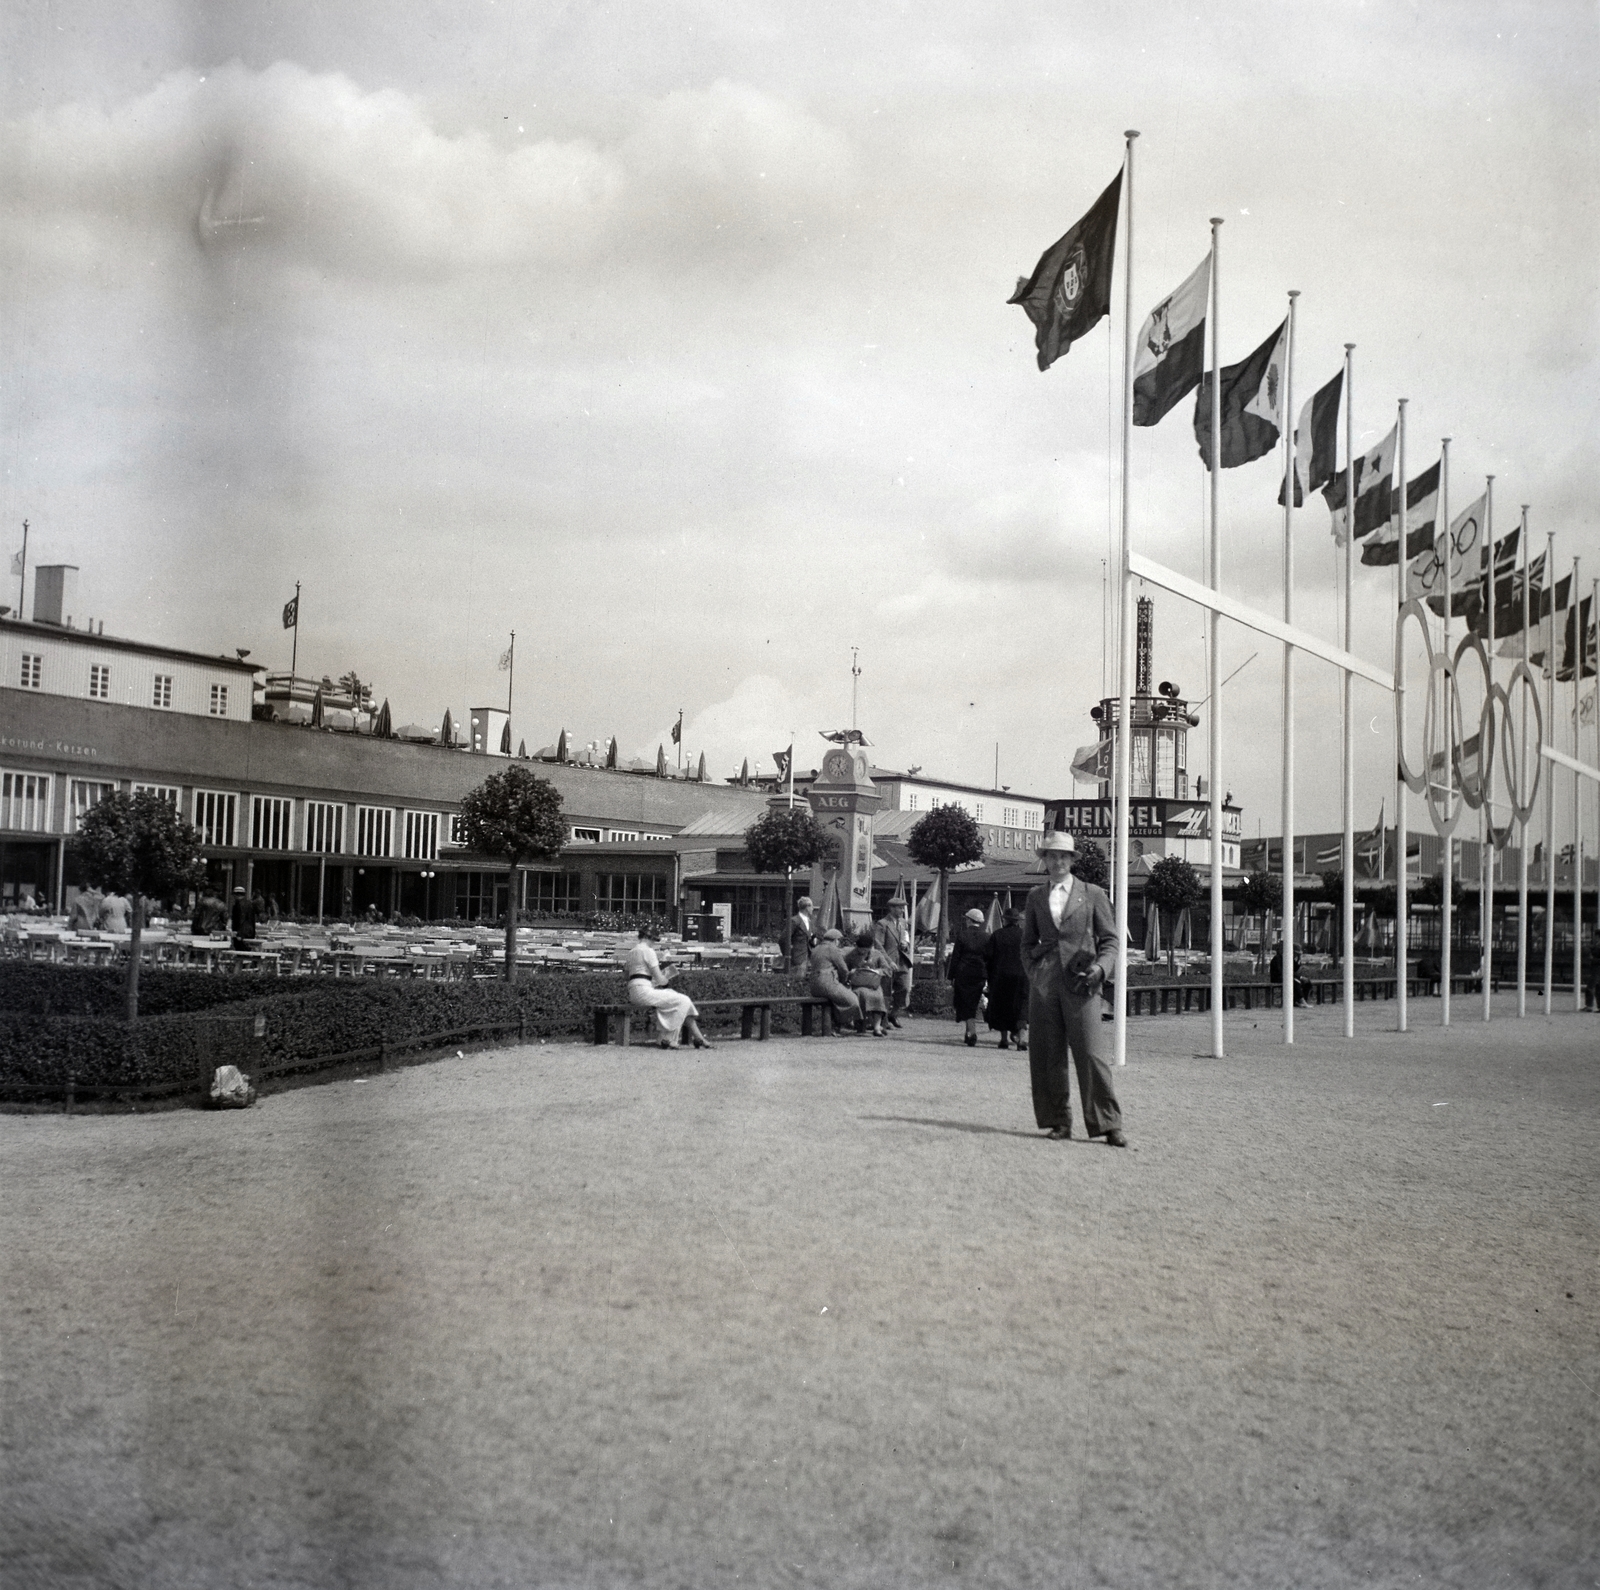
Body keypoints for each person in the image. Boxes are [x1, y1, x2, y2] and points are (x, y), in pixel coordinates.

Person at [1021, 830, 1125, 1146]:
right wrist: (1034, 974)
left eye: (1063, 856)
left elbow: (1110, 940)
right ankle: (1058, 1121)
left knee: (1092, 1054)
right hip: (1045, 984)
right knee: (1047, 1054)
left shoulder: (1092, 893)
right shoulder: (1035, 896)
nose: (1058, 861)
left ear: (1072, 859)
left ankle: (1108, 1124)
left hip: (1083, 982)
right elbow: (1027, 943)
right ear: (1045, 860)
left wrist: (1101, 968)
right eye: (1052, 856)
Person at [623, 923, 710, 1049]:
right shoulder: (648, 951)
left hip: (634, 991)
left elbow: (627, 976)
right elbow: (660, 979)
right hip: (644, 991)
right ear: (649, 937)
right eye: (654, 940)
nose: (654, 943)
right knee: (683, 1000)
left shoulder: (631, 952)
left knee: (680, 999)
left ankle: (699, 1038)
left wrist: (650, 980)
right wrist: (666, 978)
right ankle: (668, 1039)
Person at [985, 907, 1030, 1050]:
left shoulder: (997, 935)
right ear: (1018, 922)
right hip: (1023, 977)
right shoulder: (1026, 936)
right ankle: (1022, 1039)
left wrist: (989, 976)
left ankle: (1004, 1039)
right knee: (1022, 1007)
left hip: (1001, 976)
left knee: (1002, 1006)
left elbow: (988, 958)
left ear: (1005, 920)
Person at [946, 907, 991, 1047]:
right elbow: (989, 958)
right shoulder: (987, 937)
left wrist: (950, 976)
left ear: (970, 920)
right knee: (973, 1001)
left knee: (965, 1003)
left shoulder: (962, 935)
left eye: (966, 919)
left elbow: (956, 957)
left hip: (963, 973)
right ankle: (968, 1032)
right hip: (979, 974)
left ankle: (971, 1031)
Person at [807, 927, 861, 1034]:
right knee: (854, 1001)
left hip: (814, 986)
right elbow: (844, 969)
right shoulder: (832, 949)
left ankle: (834, 1024)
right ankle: (837, 1023)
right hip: (827, 983)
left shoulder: (816, 949)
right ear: (836, 940)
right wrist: (843, 981)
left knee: (835, 1000)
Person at [871, 899, 914, 1027]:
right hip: (887, 962)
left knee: (905, 988)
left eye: (903, 908)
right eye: (900, 908)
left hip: (901, 961)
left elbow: (905, 939)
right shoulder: (882, 924)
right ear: (892, 908)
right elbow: (878, 945)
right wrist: (888, 962)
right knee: (886, 992)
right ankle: (883, 1020)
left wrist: (905, 945)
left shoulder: (902, 923)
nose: (902, 911)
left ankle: (893, 1014)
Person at [845, 930, 895, 1036]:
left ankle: (877, 1027)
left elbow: (888, 970)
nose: (862, 952)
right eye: (860, 950)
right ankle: (861, 1023)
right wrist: (851, 972)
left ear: (870, 948)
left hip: (873, 984)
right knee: (861, 994)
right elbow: (844, 970)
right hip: (859, 985)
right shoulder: (851, 955)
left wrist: (878, 971)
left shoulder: (877, 954)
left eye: (865, 950)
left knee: (878, 996)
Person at [1268, 940, 1309, 1008]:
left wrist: (1299, 959)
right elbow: (1280, 972)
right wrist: (1297, 977)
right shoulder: (1277, 958)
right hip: (1278, 978)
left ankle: (1301, 999)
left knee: (1306, 982)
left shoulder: (1290, 959)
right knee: (1295, 981)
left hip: (1288, 977)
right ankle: (1301, 1000)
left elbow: (1295, 969)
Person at [787, 895, 818, 972]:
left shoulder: (810, 922)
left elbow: (810, 939)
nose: (813, 908)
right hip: (797, 959)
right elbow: (784, 939)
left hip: (809, 959)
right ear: (807, 907)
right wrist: (788, 955)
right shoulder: (794, 921)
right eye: (811, 906)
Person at [229, 886, 259, 950]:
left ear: (235, 895)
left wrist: (239, 933)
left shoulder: (238, 905)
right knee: (246, 950)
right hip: (249, 932)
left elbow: (240, 919)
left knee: (240, 950)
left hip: (241, 933)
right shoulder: (249, 904)